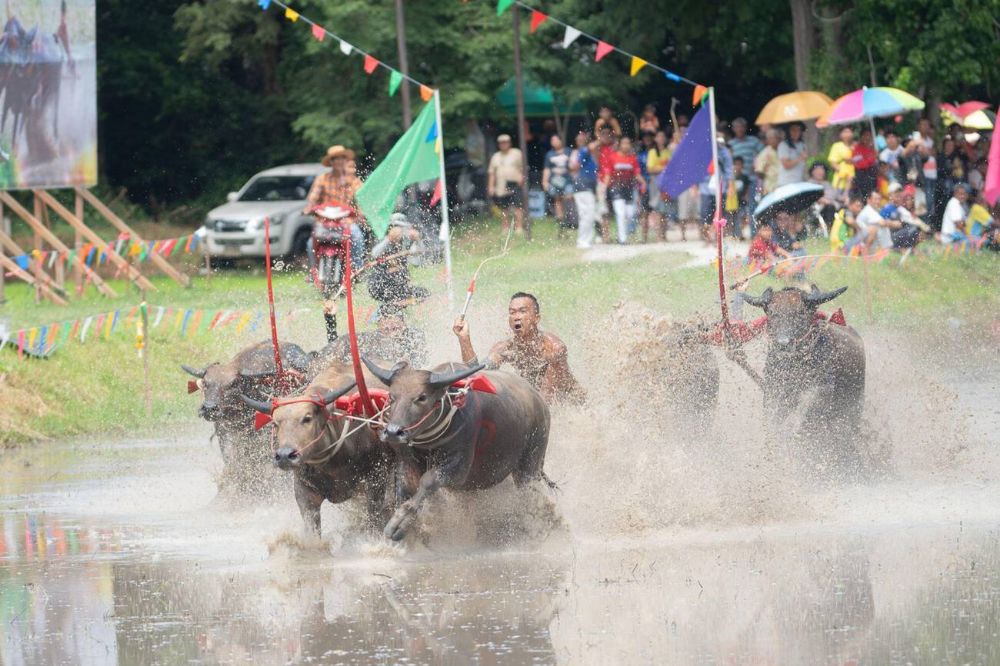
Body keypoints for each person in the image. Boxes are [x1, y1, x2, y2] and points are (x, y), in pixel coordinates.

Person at [452, 292, 586, 405]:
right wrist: (464, 339)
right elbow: (476, 375)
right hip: (537, 400)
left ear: (536, 318)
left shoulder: (554, 349)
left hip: (570, 400)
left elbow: (546, 399)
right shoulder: (504, 349)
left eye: (523, 311)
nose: (516, 317)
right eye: (512, 312)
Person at [306, 145, 367, 269]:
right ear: (331, 162)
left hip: (346, 222)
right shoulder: (322, 179)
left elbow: (361, 200)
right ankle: (314, 271)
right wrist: (309, 207)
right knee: (309, 243)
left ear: (346, 161)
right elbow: (313, 197)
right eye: (335, 159)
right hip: (324, 222)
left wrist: (361, 212)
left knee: (357, 237)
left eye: (342, 158)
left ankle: (356, 269)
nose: (339, 161)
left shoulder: (354, 181)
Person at [320, 302, 428, 369]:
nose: (390, 327)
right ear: (379, 326)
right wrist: (330, 321)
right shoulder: (369, 342)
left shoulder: (412, 340)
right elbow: (335, 356)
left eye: (395, 328)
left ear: (403, 324)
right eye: (386, 328)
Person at [367, 213, 428, 310]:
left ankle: (398, 305)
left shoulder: (406, 242)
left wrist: (418, 240)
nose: (399, 231)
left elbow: (416, 262)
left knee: (423, 293)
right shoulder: (382, 237)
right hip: (380, 283)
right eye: (396, 227)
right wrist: (389, 239)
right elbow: (374, 254)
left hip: (399, 284)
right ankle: (391, 307)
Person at [602, 136, 645, 244]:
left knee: (630, 214)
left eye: (628, 143)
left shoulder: (632, 158)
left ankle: (622, 234)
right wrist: (603, 188)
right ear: (620, 145)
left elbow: (637, 174)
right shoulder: (612, 157)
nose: (626, 145)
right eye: (624, 143)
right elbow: (608, 174)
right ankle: (622, 239)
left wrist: (643, 182)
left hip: (629, 189)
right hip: (616, 188)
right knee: (620, 213)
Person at [487, 134, 526, 236]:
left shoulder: (517, 153)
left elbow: (523, 167)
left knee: (518, 206)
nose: (503, 144)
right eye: (501, 143)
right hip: (501, 186)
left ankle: (519, 227)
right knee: (504, 208)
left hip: (515, 183)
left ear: (509, 143)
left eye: (505, 142)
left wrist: (522, 178)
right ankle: (505, 228)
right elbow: (492, 173)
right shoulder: (495, 156)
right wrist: (491, 186)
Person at [698, 138, 733, 242]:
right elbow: (697, 169)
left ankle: (720, 238)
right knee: (705, 215)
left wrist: (730, 186)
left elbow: (728, 169)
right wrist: (694, 186)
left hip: (721, 187)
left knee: (721, 214)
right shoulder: (702, 151)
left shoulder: (724, 152)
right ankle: (707, 239)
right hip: (705, 187)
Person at [903, 118, 938, 222]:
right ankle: (924, 224)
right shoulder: (915, 138)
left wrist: (927, 150)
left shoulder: (930, 140)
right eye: (923, 125)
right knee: (925, 200)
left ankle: (928, 224)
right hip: (922, 175)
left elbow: (933, 153)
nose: (925, 127)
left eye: (927, 125)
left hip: (932, 173)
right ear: (918, 126)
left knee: (930, 201)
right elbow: (915, 153)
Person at [569, 131, 599, 249]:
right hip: (582, 187)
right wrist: (600, 139)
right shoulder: (583, 150)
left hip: (589, 187)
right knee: (586, 214)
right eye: (580, 139)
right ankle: (582, 241)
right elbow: (575, 166)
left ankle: (586, 240)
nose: (582, 140)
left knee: (589, 214)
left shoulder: (590, 154)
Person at [877, 182, 927, 250]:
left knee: (915, 229)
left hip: (898, 234)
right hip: (890, 237)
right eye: (896, 195)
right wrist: (892, 223)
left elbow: (912, 220)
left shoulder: (900, 208)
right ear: (890, 195)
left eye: (900, 196)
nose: (899, 198)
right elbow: (880, 223)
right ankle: (900, 248)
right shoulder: (886, 208)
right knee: (912, 230)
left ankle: (909, 249)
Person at [542, 134, 574, 231]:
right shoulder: (549, 154)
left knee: (569, 198)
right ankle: (561, 221)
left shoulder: (569, 151)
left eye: (556, 140)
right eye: (552, 140)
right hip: (555, 181)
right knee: (557, 199)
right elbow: (547, 169)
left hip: (568, 180)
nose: (554, 142)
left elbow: (574, 165)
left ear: (561, 141)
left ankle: (570, 219)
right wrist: (544, 181)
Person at [644, 129, 671, 242]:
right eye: (658, 136)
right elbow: (650, 169)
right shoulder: (652, 152)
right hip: (655, 183)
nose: (661, 139)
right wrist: (664, 169)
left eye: (662, 136)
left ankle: (664, 235)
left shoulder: (668, 152)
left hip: (666, 183)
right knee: (657, 209)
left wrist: (661, 169)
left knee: (664, 210)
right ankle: (658, 236)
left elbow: (671, 168)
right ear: (656, 139)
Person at [777, 122, 808, 186]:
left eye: (798, 130)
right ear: (788, 132)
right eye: (793, 130)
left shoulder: (802, 145)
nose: (796, 132)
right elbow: (786, 165)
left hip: (799, 181)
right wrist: (800, 158)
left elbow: (804, 163)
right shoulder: (783, 145)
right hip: (786, 183)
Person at [828, 127, 856, 198]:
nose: (847, 134)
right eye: (845, 132)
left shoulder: (855, 145)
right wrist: (842, 171)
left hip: (854, 181)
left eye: (849, 132)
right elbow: (832, 162)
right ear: (840, 134)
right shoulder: (837, 146)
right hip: (840, 181)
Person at [728, 156, 752, 239]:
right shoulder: (730, 177)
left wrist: (747, 196)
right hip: (732, 201)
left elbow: (747, 188)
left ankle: (739, 233)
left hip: (742, 201)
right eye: (736, 164)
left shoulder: (744, 177)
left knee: (742, 217)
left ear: (742, 166)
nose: (737, 166)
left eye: (739, 165)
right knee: (733, 218)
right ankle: (734, 234)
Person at [851, 128, 878, 198]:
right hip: (862, 176)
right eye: (865, 135)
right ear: (861, 137)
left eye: (869, 135)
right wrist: (871, 158)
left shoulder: (873, 148)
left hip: (873, 175)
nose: (867, 137)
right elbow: (859, 164)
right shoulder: (857, 149)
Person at [753, 129, 781, 197]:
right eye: (770, 138)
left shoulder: (783, 150)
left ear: (778, 138)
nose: (772, 140)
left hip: (783, 184)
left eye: (774, 138)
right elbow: (758, 171)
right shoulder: (764, 153)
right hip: (770, 186)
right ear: (767, 140)